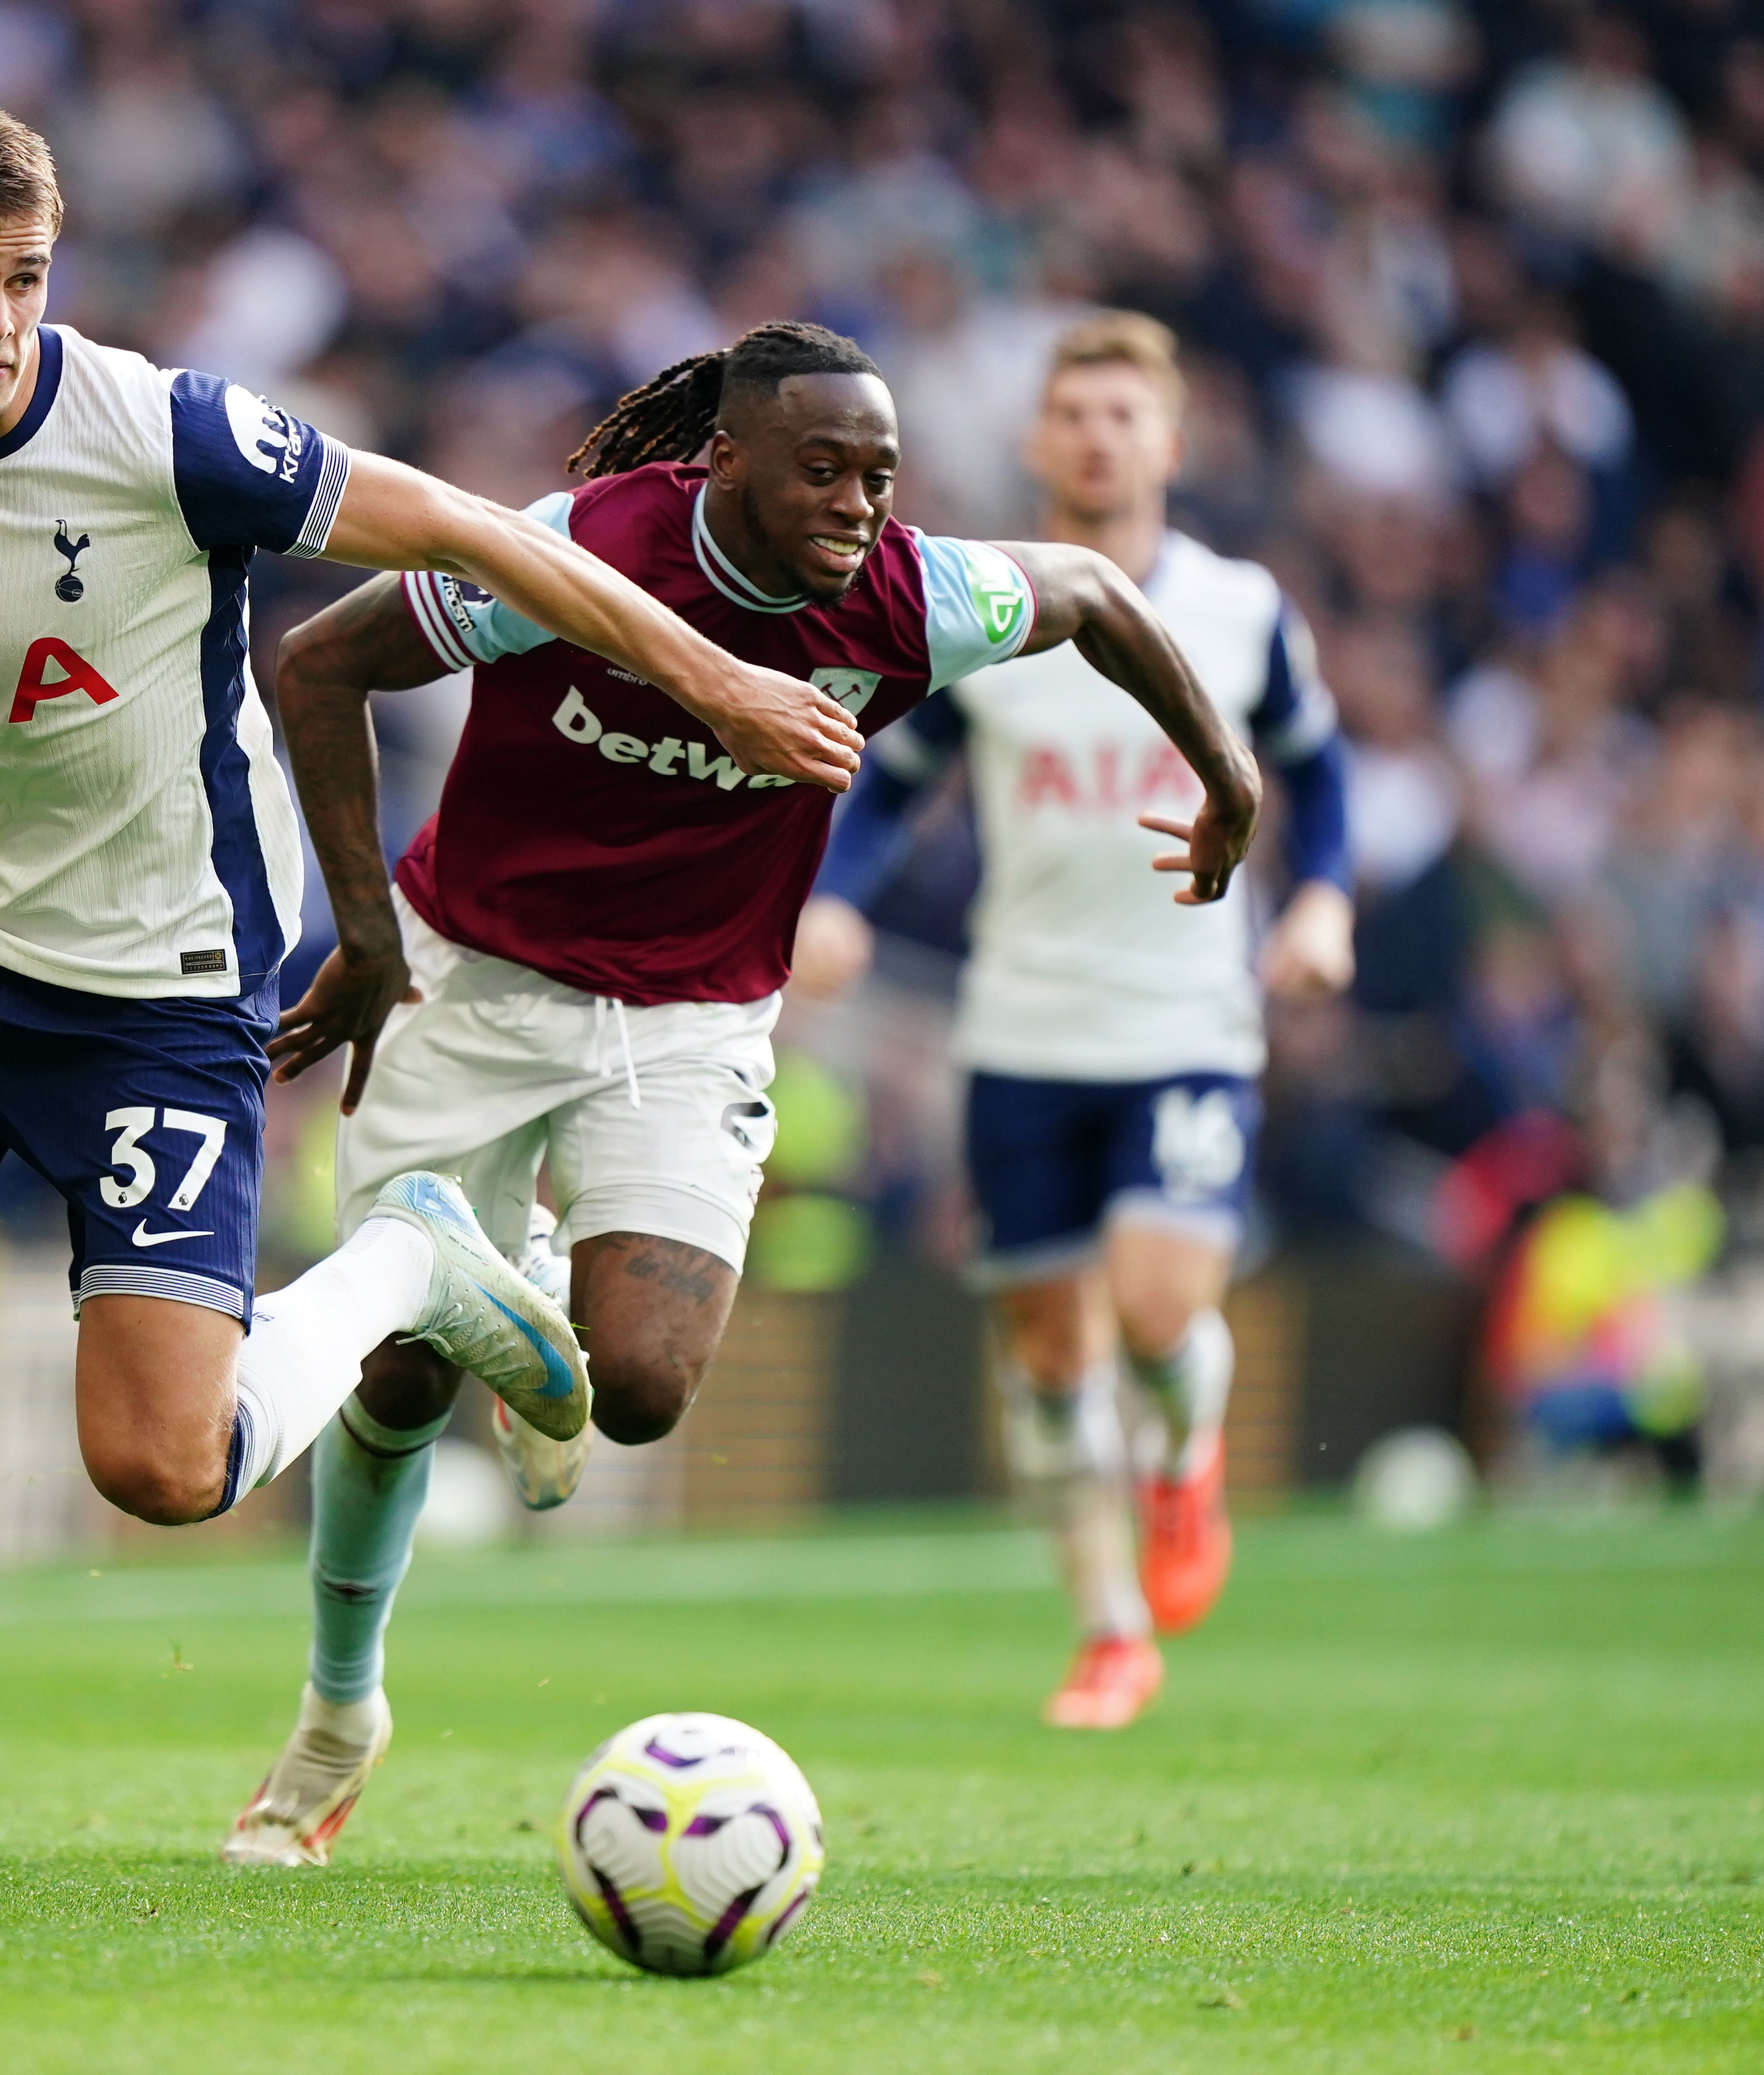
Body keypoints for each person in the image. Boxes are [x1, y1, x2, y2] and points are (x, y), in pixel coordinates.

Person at [0, 98, 867, 1881]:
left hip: (160, 977)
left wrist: (723, 685)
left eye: (25, 281)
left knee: (159, 1467)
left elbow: (468, 533)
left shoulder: (168, 430)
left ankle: (415, 1263)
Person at [221, 319, 1265, 1867]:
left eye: (881, 476)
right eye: (823, 471)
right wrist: (366, 939)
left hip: (693, 1016)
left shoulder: (915, 596)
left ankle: (503, 1320)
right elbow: (317, 664)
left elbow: (1099, 596)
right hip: (476, 974)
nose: (858, 504)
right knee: (397, 1384)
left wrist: (1226, 776)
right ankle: (336, 1712)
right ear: (725, 460)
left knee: (639, 1390)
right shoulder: (570, 557)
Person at [801, 312, 1355, 1731]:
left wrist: (1322, 902)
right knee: (1050, 1351)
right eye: (1075, 415)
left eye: (1125, 415)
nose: (1099, 437)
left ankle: (1186, 1455)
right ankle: (1110, 1634)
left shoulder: (1240, 609)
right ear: (1041, 439)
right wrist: (842, 899)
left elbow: (1314, 767)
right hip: (1021, 1027)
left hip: (1185, 1019)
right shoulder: (992, 606)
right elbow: (892, 773)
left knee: (1162, 1304)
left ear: (1168, 441)